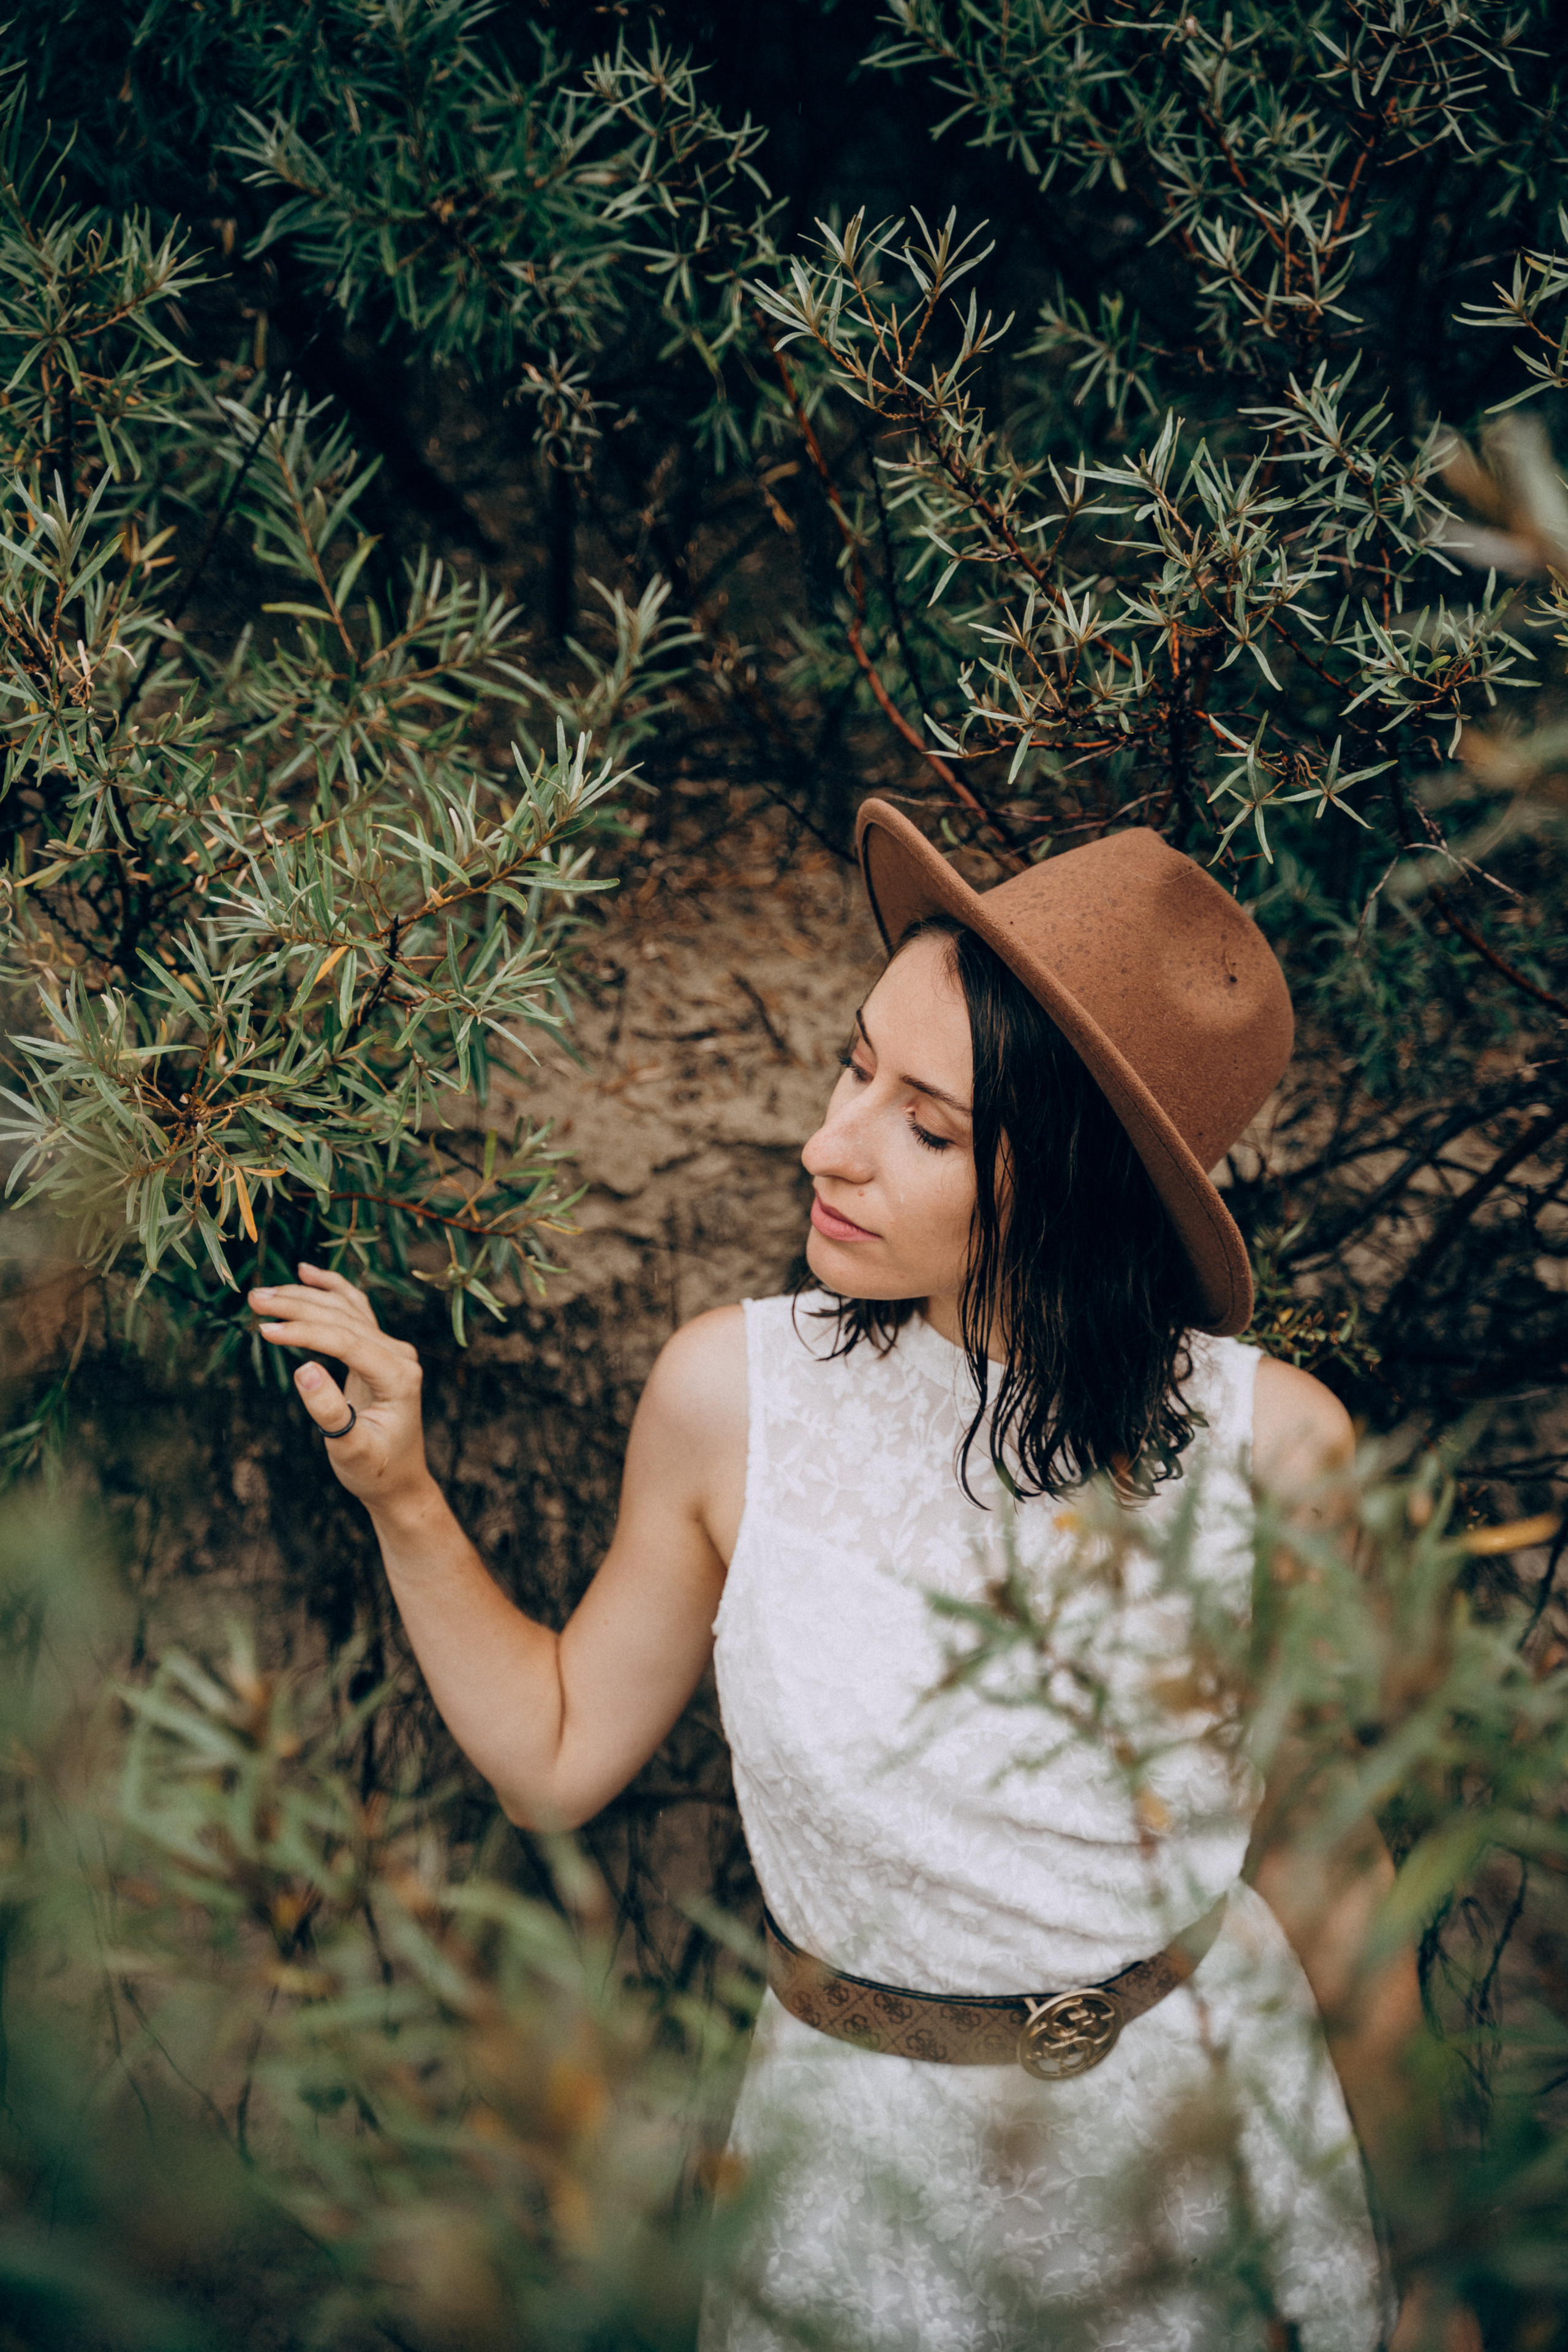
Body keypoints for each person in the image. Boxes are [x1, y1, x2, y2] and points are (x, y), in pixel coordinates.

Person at [249, 802, 1477, 2352]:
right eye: (854, 1068)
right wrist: (400, 1492)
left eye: (930, 1126)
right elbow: (555, 1760)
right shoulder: (729, 1399)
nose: (826, 1143)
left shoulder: (1274, 1454)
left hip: (1197, 2161)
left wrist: (1436, 2262)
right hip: (853, 2168)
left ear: (1074, 1185)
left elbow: (1325, 1867)